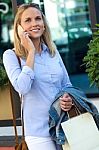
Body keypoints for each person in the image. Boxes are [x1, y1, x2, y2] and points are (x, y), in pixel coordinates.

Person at [3, 3, 73, 150]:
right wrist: (31, 52)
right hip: (38, 133)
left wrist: (67, 97)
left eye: (38, 18)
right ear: (19, 28)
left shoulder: (53, 52)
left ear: (44, 23)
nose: (34, 23)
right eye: (27, 20)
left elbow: (67, 84)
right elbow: (22, 87)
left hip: (64, 126)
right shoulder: (11, 55)